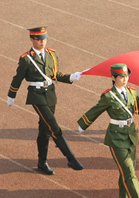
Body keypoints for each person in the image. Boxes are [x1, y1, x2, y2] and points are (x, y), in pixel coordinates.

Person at [76, 63, 139, 198]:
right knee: (129, 172)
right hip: (116, 138)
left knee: (126, 172)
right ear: (113, 78)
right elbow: (96, 110)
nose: (125, 79)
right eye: (121, 77)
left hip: (131, 136)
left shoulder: (132, 92)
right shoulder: (108, 96)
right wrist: (83, 124)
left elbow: (137, 109)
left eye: (126, 76)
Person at [7, 26, 84, 175]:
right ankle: (71, 158)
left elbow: (55, 75)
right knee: (54, 126)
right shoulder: (26, 59)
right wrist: (11, 95)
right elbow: (18, 78)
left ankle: (42, 162)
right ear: (32, 39)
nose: (42, 42)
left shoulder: (51, 55)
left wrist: (70, 77)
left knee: (45, 129)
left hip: (50, 94)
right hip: (36, 95)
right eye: (39, 39)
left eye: (44, 39)